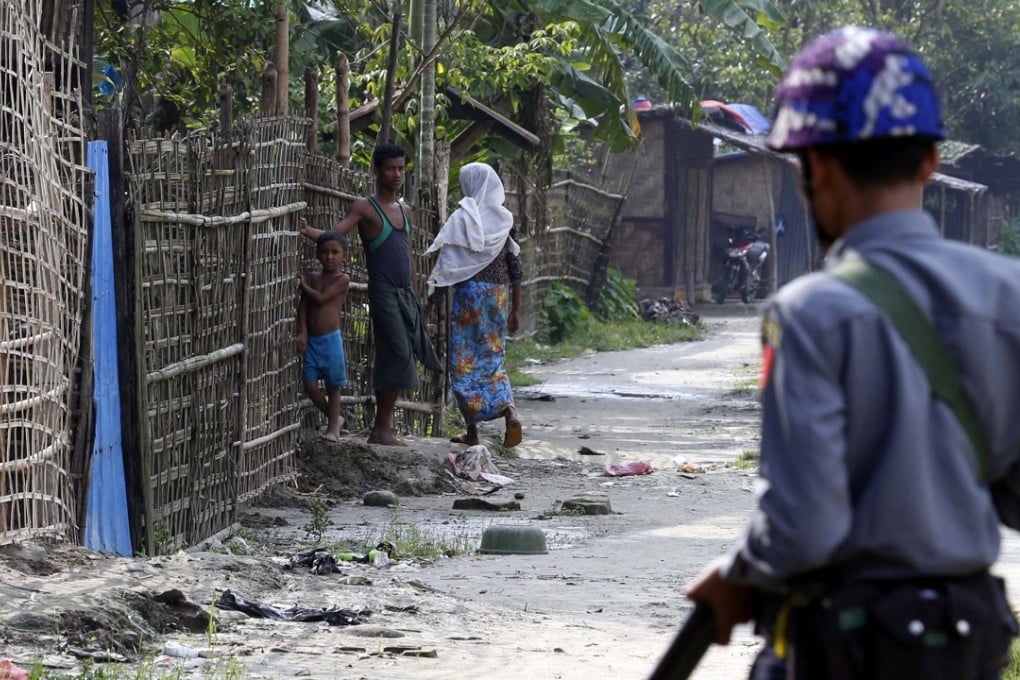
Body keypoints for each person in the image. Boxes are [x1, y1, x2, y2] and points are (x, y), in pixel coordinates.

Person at [683, 26, 1020, 680]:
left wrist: (738, 571)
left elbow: (803, 524)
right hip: (965, 639)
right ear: (928, 162)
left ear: (815, 168)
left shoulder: (808, 313)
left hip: (843, 643)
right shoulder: (1009, 296)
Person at [299, 143, 440, 447]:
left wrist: (416, 294)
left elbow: (408, 255)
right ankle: (381, 429)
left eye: (401, 168)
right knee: (398, 354)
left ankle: (382, 428)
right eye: (390, 168)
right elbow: (335, 237)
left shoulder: (405, 209)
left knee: (401, 356)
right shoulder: (365, 206)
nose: (397, 174)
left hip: (405, 294)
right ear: (377, 170)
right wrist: (310, 231)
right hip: (384, 293)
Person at [424, 162, 524, 448]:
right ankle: (509, 411)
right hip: (497, 298)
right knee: (493, 359)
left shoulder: (462, 219)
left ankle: (473, 432)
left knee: (463, 364)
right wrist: (516, 309)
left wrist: (431, 303)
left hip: (468, 297)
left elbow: (449, 266)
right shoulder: (505, 221)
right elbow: (516, 269)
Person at [296, 231, 351, 442]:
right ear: (317, 254)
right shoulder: (312, 277)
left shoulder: (342, 279)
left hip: (331, 340)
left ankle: (333, 430)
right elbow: (304, 306)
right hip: (312, 341)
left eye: (335, 253)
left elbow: (320, 299)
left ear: (344, 256)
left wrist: (304, 286)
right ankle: (334, 418)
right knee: (309, 383)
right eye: (325, 252)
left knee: (333, 386)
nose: (330, 257)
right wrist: (303, 332)